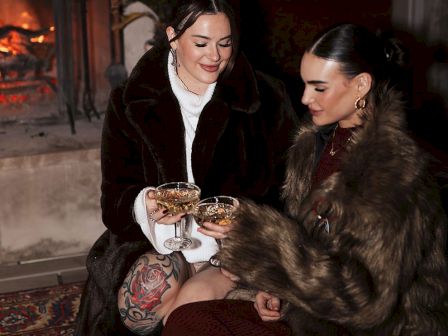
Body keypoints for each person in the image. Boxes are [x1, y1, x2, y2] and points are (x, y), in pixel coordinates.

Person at [165, 23, 448, 335]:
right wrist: (274, 287)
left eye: (319, 87)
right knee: (187, 319)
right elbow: (310, 241)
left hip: (375, 326)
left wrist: (257, 233)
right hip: (309, 310)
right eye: (304, 84)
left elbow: (365, 304)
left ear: (360, 85)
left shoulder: (393, 171)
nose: (304, 98)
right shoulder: (314, 144)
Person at [74, 0, 298, 335]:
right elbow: (115, 199)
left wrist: (248, 224)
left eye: (225, 43)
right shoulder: (130, 100)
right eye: (201, 43)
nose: (215, 56)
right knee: (141, 305)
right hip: (157, 243)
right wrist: (144, 204)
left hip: (236, 253)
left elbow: (291, 193)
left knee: (187, 311)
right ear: (173, 38)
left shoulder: (267, 97)